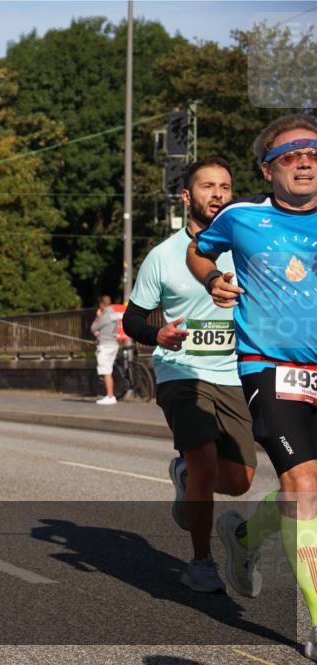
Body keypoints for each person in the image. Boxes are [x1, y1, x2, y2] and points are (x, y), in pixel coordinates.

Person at [187, 114, 317, 657]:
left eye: (313, 151)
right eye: (290, 154)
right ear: (267, 170)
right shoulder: (241, 218)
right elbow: (199, 251)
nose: (305, 160)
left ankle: (242, 537)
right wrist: (213, 279)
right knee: (304, 486)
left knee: (302, 491)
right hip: (269, 364)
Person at [124, 156, 255, 593]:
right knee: (203, 460)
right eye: (207, 186)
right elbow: (132, 320)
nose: (217, 194)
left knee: (239, 481)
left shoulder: (247, 247)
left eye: (225, 186)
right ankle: (201, 562)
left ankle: (184, 477)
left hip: (235, 373)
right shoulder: (162, 256)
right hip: (181, 371)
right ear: (187, 196)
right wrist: (158, 333)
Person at [91, 296, 122, 405]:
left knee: (106, 372)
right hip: (113, 344)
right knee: (108, 370)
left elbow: (93, 328)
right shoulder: (114, 314)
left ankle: (110, 396)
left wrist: (97, 317)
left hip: (105, 345)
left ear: (101, 305)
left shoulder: (104, 316)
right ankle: (110, 395)